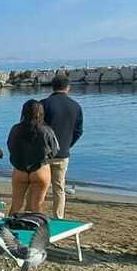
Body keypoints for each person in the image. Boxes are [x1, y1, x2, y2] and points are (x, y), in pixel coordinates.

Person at [40, 73, 83, 218]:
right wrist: (68, 144)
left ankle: (36, 214)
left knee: (40, 186)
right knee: (59, 187)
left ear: (52, 87)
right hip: (63, 152)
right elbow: (78, 130)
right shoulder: (75, 106)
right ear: (68, 88)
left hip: (44, 153)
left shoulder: (44, 104)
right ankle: (58, 217)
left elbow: (37, 128)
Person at [7, 99, 59, 214]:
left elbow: (10, 146)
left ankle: (8, 227)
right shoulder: (46, 130)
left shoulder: (15, 129)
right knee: (37, 205)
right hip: (40, 169)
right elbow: (55, 150)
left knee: (16, 204)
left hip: (19, 168)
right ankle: (36, 228)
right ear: (40, 114)